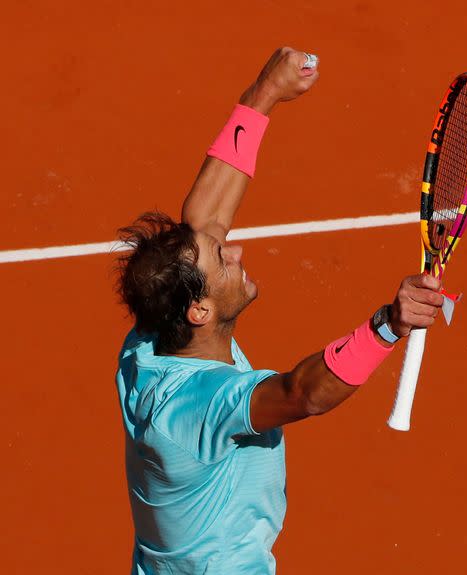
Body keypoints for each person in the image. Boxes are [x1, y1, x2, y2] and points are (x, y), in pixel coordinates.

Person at [114, 47, 444, 575]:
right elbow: (301, 394)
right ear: (198, 310)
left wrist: (263, 95)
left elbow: (205, 219)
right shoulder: (197, 407)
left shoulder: (152, 342)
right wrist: (389, 325)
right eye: (222, 260)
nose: (235, 249)